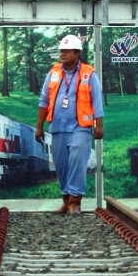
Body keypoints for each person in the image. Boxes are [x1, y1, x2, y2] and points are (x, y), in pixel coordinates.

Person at [35, 34, 104, 215]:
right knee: (62, 165)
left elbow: (96, 101)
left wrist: (99, 125)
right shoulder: (53, 73)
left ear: (76, 53)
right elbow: (43, 101)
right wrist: (39, 126)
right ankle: (66, 200)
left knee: (77, 162)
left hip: (80, 128)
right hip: (57, 128)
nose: (62, 54)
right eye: (61, 51)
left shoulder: (89, 74)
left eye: (66, 51)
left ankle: (75, 201)